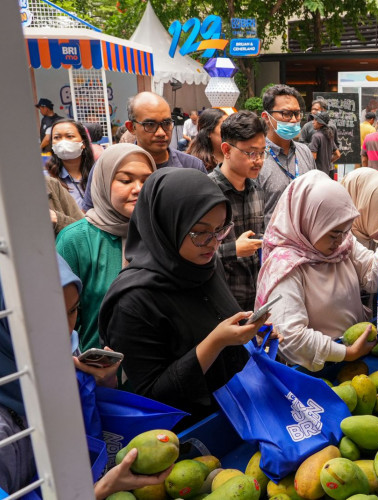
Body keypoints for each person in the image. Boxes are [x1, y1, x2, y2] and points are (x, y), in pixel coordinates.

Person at [100, 168, 273, 423]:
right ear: (167, 225)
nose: (214, 243)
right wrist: (215, 342)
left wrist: (248, 333)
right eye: (200, 232)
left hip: (239, 413)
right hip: (185, 439)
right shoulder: (132, 302)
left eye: (220, 230)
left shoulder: (205, 266)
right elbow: (154, 398)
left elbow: (215, 320)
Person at [0, 255, 169, 497]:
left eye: (72, 310)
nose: (65, 330)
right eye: (44, 318)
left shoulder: (67, 350)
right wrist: (100, 490)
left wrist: (102, 382)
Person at [256, 171, 378, 372]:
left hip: (355, 361)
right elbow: (291, 337)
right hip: (315, 372)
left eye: (344, 231)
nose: (340, 241)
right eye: (332, 234)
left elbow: (373, 277)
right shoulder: (285, 266)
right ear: (309, 221)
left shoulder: (344, 245)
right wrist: (344, 353)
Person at [57, 144, 156, 352]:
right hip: (97, 374)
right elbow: (60, 320)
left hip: (159, 372)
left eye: (147, 181)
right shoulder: (75, 239)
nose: (138, 188)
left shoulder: (161, 234)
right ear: (103, 182)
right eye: (126, 180)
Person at [81, 92, 206, 210]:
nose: (161, 133)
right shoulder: (107, 166)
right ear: (131, 127)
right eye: (150, 124)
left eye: (167, 123)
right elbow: (89, 212)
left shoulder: (192, 166)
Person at [209, 111, 266, 312]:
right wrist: (233, 250)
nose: (258, 160)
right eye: (251, 153)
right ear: (226, 149)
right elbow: (192, 255)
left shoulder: (256, 189)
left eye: (262, 152)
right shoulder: (206, 192)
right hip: (220, 304)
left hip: (255, 302)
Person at [258, 84, 316, 228]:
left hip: (306, 241)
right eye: (286, 114)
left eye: (297, 113)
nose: (294, 119)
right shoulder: (256, 157)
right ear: (266, 117)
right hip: (272, 244)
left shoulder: (304, 152)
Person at [45, 118, 95, 207]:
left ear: (83, 142)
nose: (63, 142)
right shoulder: (46, 179)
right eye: (57, 137)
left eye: (69, 136)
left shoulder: (97, 173)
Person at [309, 111, 340, 177]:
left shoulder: (316, 136)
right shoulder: (329, 136)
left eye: (315, 120)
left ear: (320, 123)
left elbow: (313, 157)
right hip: (326, 173)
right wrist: (327, 162)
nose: (313, 122)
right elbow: (338, 155)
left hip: (316, 174)